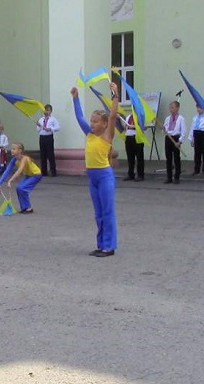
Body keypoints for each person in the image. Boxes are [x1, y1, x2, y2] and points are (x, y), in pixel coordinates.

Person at [71, 84, 119, 258]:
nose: (92, 123)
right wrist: (75, 98)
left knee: (107, 212)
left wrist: (115, 94)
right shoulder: (90, 134)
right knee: (98, 214)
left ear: (104, 124)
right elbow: (79, 117)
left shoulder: (107, 135)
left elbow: (113, 116)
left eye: (95, 121)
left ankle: (109, 246)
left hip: (105, 176)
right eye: (91, 121)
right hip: (93, 178)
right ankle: (101, 245)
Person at [0, 142, 42, 214]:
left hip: (36, 175)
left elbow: (20, 170)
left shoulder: (25, 159)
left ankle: (28, 208)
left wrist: (10, 180)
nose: (12, 150)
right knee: (19, 188)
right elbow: (7, 171)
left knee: (22, 188)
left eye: (14, 149)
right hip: (28, 176)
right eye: (12, 149)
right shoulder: (14, 160)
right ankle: (25, 208)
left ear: (20, 150)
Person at [163, 101, 186, 184]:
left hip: (176, 138)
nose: (171, 109)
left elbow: (183, 131)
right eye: (170, 108)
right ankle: (169, 177)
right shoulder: (167, 118)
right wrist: (163, 129)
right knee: (168, 158)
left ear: (177, 108)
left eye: (173, 107)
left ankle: (177, 177)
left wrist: (179, 141)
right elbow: (165, 129)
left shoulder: (181, 119)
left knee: (176, 158)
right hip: (168, 138)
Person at [36, 104, 60, 177]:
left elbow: (58, 127)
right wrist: (39, 126)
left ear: (51, 111)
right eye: (45, 110)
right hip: (42, 137)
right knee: (42, 154)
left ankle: (53, 171)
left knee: (50, 154)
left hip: (49, 137)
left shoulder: (53, 119)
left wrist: (50, 129)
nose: (46, 112)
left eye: (48, 110)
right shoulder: (41, 119)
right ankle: (44, 172)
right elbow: (38, 130)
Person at [187, 104, 204, 175]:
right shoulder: (195, 118)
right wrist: (192, 138)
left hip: (203, 134)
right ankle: (196, 169)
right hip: (196, 134)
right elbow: (192, 128)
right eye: (197, 108)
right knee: (197, 153)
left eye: (200, 108)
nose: (198, 109)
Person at [121, 113, 144, 181]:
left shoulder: (140, 115)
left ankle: (140, 175)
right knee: (130, 157)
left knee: (139, 157)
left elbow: (143, 127)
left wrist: (134, 126)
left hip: (137, 137)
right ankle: (130, 174)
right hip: (128, 137)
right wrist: (124, 125)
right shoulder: (128, 116)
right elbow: (125, 127)